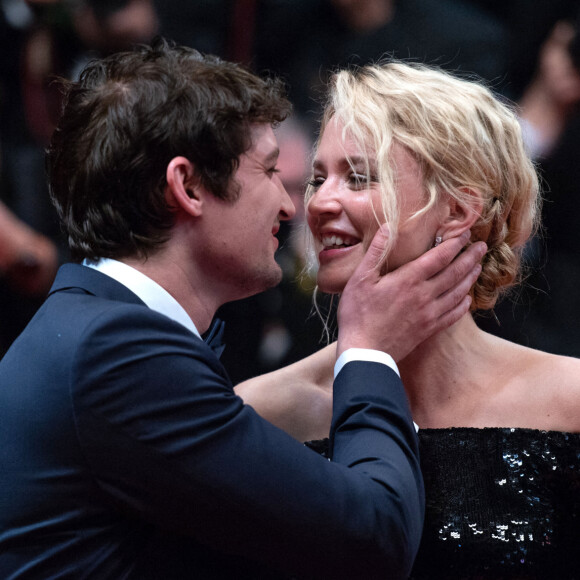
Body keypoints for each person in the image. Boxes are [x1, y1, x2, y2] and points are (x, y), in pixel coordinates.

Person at [0, 39, 486, 579]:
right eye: (271, 170)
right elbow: (373, 536)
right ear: (187, 186)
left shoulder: (92, 331)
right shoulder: (118, 352)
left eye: (360, 177)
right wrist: (369, 350)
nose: (294, 204)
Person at [236, 61, 580, 578]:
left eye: (358, 177)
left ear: (459, 210)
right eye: (317, 177)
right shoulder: (261, 412)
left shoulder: (569, 400)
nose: (319, 202)